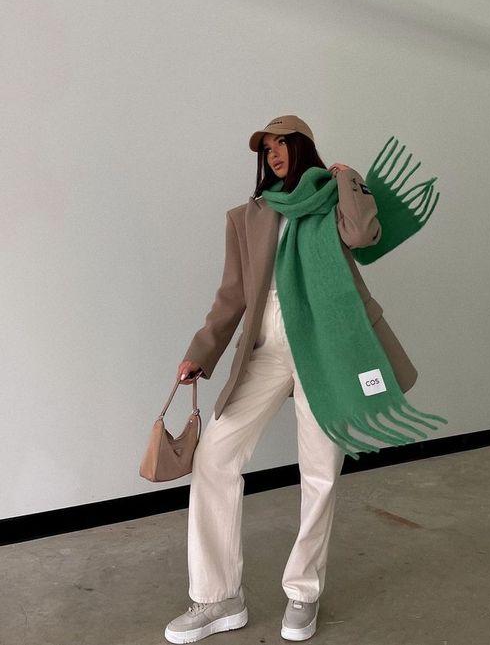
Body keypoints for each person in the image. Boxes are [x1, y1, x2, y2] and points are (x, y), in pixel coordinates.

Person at [164, 115, 418, 644]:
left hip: (325, 347)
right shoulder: (247, 217)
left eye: (282, 144)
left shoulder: (331, 200)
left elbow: (363, 234)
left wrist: (348, 180)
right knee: (214, 458)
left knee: (320, 471)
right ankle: (218, 597)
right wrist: (201, 352)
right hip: (267, 347)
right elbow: (232, 296)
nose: (274, 153)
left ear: (302, 147)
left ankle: (304, 592)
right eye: (267, 148)